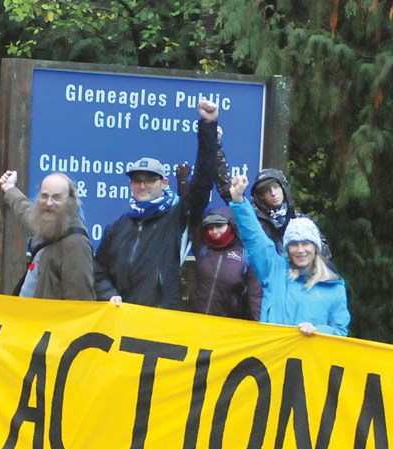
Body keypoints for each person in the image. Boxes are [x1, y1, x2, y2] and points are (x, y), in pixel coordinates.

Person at [93, 99, 219, 309]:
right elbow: (98, 269)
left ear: (164, 183)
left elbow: (203, 182)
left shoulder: (177, 217)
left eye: (150, 180)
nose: (142, 186)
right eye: (137, 180)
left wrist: (208, 126)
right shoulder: (117, 227)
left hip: (159, 325)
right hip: (120, 321)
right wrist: (108, 293)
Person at [228, 174, 349, 335]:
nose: (300, 250)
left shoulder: (334, 287)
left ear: (315, 248)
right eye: (294, 244)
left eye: (305, 243)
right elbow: (254, 237)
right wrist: (238, 200)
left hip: (310, 359)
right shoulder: (274, 270)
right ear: (287, 248)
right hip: (272, 356)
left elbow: (340, 331)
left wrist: (318, 331)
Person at [0, 171, 94, 300]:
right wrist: (10, 188)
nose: (48, 203)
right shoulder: (47, 225)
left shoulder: (76, 244)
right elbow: (25, 211)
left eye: (56, 197)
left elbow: (79, 303)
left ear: (70, 201)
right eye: (44, 196)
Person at [188, 206, 257, 319]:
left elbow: (255, 296)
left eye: (219, 226)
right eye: (210, 227)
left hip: (227, 325)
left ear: (231, 225)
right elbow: (195, 202)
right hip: (195, 320)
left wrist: (260, 328)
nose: (214, 231)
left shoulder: (245, 253)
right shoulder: (202, 246)